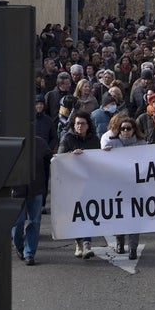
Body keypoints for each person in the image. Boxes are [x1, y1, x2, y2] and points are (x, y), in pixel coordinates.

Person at [57, 110, 100, 259]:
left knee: (88, 211)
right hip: (73, 183)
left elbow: (99, 159)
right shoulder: (67, 138)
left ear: (88, 125)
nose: (79, 126)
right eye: (77, 124)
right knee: (76, 213)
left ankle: (87, 244)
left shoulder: (94, 139)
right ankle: (78, 243)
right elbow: (59, 158)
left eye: (82, 123)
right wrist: (71, 155)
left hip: (89, 182)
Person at [100, 115, 143, 259]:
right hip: (117, 187)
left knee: (134, 217)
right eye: (122, 128)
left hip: (135, 187)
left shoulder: (142, 143)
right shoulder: (112, 143)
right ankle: (120, 241)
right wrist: (104, 153)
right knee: (119, 215)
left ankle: (133, 248)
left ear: (133, 130)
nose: (125, 131)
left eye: (128, 128)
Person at [11, 135, 51, 266]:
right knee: (18, 223)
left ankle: (30, 253)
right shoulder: (11, 142)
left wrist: (45, 189)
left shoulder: (40, 143)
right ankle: (19, 246)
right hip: (16, 190)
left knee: (35, 221)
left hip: (36, 189)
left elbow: (49, 164)